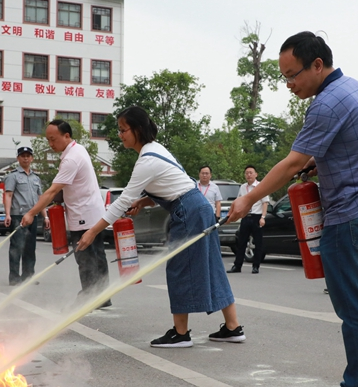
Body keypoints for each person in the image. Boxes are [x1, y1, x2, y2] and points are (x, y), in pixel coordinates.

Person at [227, 31, 358, 387]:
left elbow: (293, 162)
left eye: (293, 75)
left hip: (353, 216)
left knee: (357, 305)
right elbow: (344, 148)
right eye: (284, 77)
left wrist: (248, 197)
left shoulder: (325, 103)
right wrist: (319, 162)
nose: (289, 84)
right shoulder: (353, 89)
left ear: (317, 65)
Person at [74, 106, 245, 347]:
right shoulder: (156, 150)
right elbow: (176, 183)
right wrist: (144, 201)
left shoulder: (146, 161)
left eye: (124, 130)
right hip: (198, 207)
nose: (120, 134)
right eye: (119, 130)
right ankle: (232, 327)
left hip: (188, 212)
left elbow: (122, 200)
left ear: (138, 130)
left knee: (178, 268)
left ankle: (181, 333)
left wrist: (92, 231)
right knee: (212, 265)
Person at [22, 120, 111, 305]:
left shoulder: (71, 159)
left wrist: (31, 213)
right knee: (98, 255)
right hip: (95, 213)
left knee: (85, 257)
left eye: (53, 139)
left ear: (67, 136)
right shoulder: (79, 150)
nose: (50, 144)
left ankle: (89, 297)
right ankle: (102, 297)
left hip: (83, 217)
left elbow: (52, 191)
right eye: (48, 140)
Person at [3, 146, 44, 286]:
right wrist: (8, 214)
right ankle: (14, 278)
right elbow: (8, 195)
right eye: (22, 156)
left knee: (30, 247)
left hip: (33, 216)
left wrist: (46, 216)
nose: (25, 158)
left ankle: (28, 276)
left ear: (32, 158)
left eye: (28, 155)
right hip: (18, 216)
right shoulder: (12, 176)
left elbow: (41, 198)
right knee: (16, 247)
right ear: (18, 158)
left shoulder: (36, 178)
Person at [227, 165, 270, 274]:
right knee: (241, 243)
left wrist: (263, 217)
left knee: (258, 243)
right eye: (247, 173)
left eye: (251, 172)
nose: (249, 175)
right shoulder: (242, 187)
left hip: (257, 217)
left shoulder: (261, 186)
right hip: (246, 217)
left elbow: (265, 202)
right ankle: (237, 266)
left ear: (256, 174)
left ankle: (256, 266)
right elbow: (239, 201)